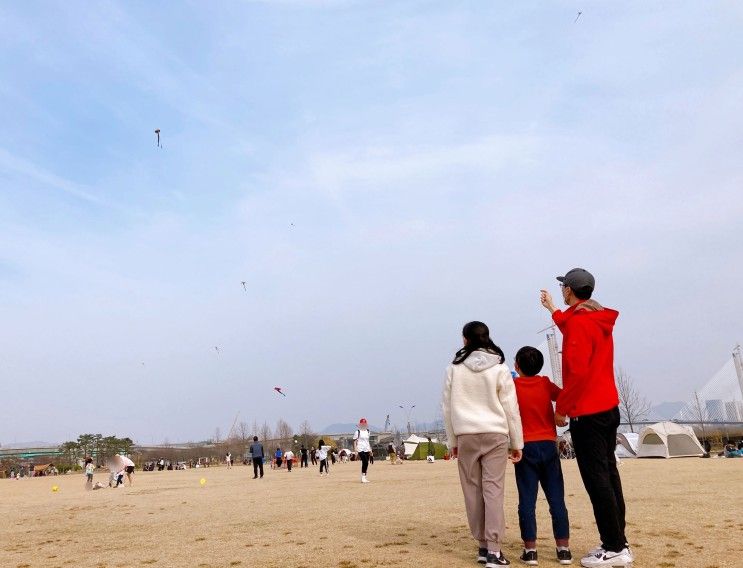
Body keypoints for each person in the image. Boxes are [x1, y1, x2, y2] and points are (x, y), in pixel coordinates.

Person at [541, 268, 632, 567]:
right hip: (608, 407)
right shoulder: (594, 318)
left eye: (563, 289)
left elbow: (577, 372)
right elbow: (571, 327)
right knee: (609, 475)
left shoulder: (580, 323)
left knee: (597, 481)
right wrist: (554, 310)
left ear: (569, 290)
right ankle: (618, 539)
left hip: (588, 412)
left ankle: (614, 547)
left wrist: (561, 408)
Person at [442, 321, 524, 567]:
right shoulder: (500, 367)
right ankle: (494, 551)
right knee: (493, 490)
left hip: (466, 434)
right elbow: (511, 407)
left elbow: (447, 408)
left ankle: (481, 545)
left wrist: (452, 441)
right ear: (487, 338)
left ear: (465, 340)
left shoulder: (454, 369)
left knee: (472, 491)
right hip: (496, 434)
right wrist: (516, 441)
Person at [512, 346, 572, 565]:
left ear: (517, 365)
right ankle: (563, 548)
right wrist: (560, 413)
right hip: (548, 444)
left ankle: (531, 550)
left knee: (527, 501)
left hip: (525, 446)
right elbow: (565, 394)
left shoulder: (513, 386)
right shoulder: (545, 383)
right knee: (556, 499)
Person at [353, 418, 373, 483]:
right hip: (360, 449)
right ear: (360, 424)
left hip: (367, 449)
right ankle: (363, 478)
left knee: (366, 463)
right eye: (362, 424)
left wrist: (370, 450)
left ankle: (364, 477)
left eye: (364, 423)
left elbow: (368, 441)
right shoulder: (357, 432)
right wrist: (356, 450)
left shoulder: (368, 431)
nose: (363, 425)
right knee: (365, 461)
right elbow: (355, 441)